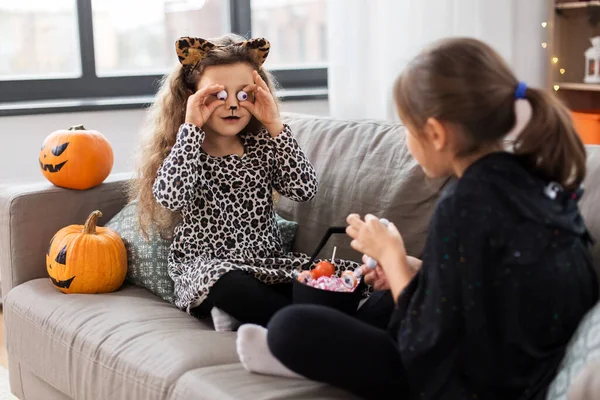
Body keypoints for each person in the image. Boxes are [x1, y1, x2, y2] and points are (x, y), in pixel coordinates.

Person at [234, 37, 599, 400]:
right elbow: (492, 287)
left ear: (437, 133)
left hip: (485, 384)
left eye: (408, 128)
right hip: (511, 352)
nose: (407, 140)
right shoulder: (532, 179)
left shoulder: (465, 202)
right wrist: (413, 268)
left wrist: (392, 258)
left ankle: (299, 356)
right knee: (384, 298)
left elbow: (426, 345)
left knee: (289, 327)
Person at [127, 33, 361, 331]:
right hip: (211, 269)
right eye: (219, 95)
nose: (233, 105)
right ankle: (307, 327)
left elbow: (304, 189)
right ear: (192, 98)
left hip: (268, 265)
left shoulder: (262, 145)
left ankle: (269, 320)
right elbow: (170, 196)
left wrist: (275, 126)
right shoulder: (185, 150)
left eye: (244, 94)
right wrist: (190, 127)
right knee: (228, 284)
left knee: (342, 277)